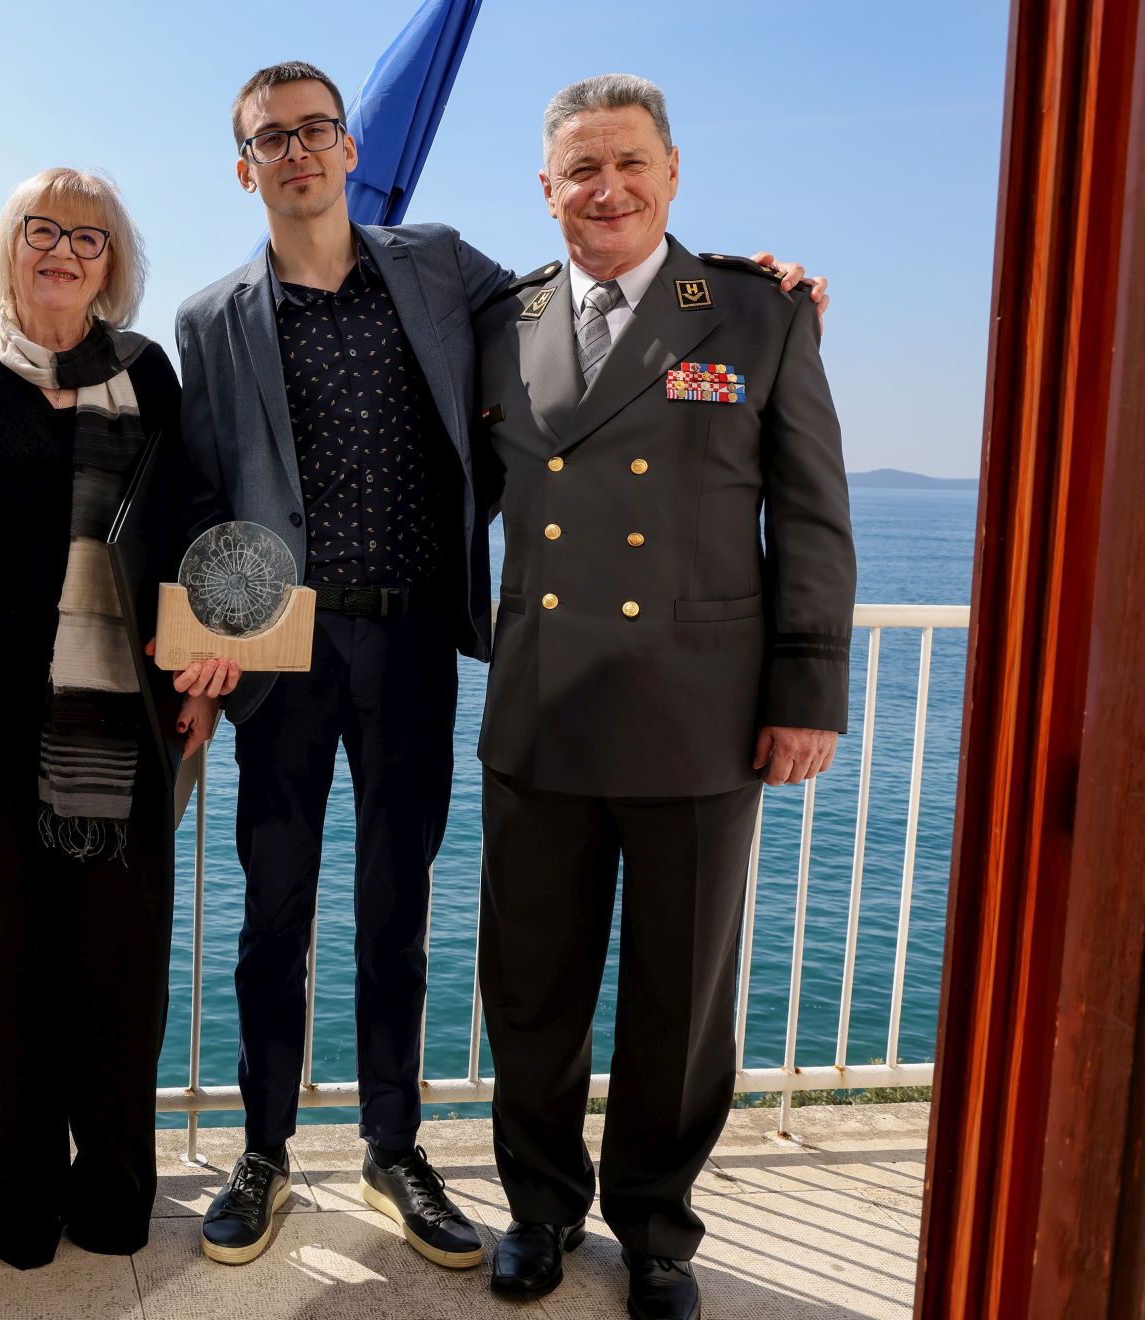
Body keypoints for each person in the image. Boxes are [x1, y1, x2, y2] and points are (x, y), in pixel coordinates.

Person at [174, 61, 825, 1274]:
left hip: (415, 639)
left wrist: (760, 280)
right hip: (281, 649)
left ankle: (393, 1150)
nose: (298, 152)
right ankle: (262, 1151)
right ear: (245, 166)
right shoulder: (211, 319)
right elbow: (204, 491)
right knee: (272, 915)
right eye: (272, 138)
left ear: (350, 148)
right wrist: (207, 638)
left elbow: (610, 283)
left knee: (396, 914)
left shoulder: (439, 270)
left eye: (317, 130)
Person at [470, 74, 855, 1320]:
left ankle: (656, 1231)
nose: (609, 189)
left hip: (699, 714)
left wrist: (809, 689)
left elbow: (811, 517)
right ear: (546, 189)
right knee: (532, 990)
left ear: (673, 171)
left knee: (680, 1002)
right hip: (542, 710)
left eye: (630, 162)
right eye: (582, 169)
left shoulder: (755, 312)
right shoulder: (503, 320)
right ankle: (538, 1211)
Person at [0, 168, 217, 1269]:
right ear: (9, 248)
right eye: (43, 231)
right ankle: (5, 1206)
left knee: (119, 973)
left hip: (123, 721)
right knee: (2, 970)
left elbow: (187, 531)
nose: (65, 253)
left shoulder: (148, 375)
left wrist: (204, 673)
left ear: (112, 262)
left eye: (90, 238)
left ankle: (114, 1199)